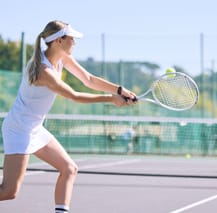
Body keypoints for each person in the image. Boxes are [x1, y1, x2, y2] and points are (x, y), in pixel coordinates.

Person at [0, 20, 136, 213]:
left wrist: (120, 90)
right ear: (59, 41)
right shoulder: (43, 71)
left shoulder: (62, 58)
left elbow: (88, 80)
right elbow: (74, 96)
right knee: (9, 192)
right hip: (19, 129)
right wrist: (110, 99)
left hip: (34, 128)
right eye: (71, 38)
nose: (75, 42)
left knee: (69, 169)